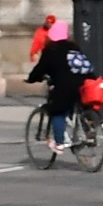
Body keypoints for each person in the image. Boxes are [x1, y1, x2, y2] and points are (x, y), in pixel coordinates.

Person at [26, 18, 91, 159]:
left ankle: (59, 143)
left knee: (57, 111)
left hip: (63, 85)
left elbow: (40, 68)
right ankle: (87, 130)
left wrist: (31, 78)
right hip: (83, 83)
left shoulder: (51, 49)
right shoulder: (74, 47)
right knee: (74, 104)